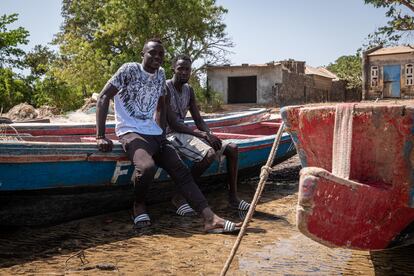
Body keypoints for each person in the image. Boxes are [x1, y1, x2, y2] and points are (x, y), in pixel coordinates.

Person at [95, 38, 240, 233]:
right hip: (131, 133)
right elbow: (104, 97)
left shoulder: (160, 74)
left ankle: (210, 219)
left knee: (181, 170)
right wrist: (100, 135)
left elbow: (162, 104)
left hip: (155, 134)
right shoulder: (129, 70)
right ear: (142, 54)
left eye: (161, 54)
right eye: (152, 52)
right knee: (147, 167)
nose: (157, 57)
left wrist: (161, 133)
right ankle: (138, 206)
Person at [166, 54, 251, 217]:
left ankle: (233, 197)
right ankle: (179, 196)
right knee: (209, 154)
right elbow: (173, 124)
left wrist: (210, 134)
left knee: (232, 148)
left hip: (185, 132)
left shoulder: (188, 90)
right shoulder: (165, 88)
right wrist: (202, 135)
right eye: (180, 69)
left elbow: (198, 119)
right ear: (173, 69)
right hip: (171, 134)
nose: (184, 72)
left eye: (187, 69)